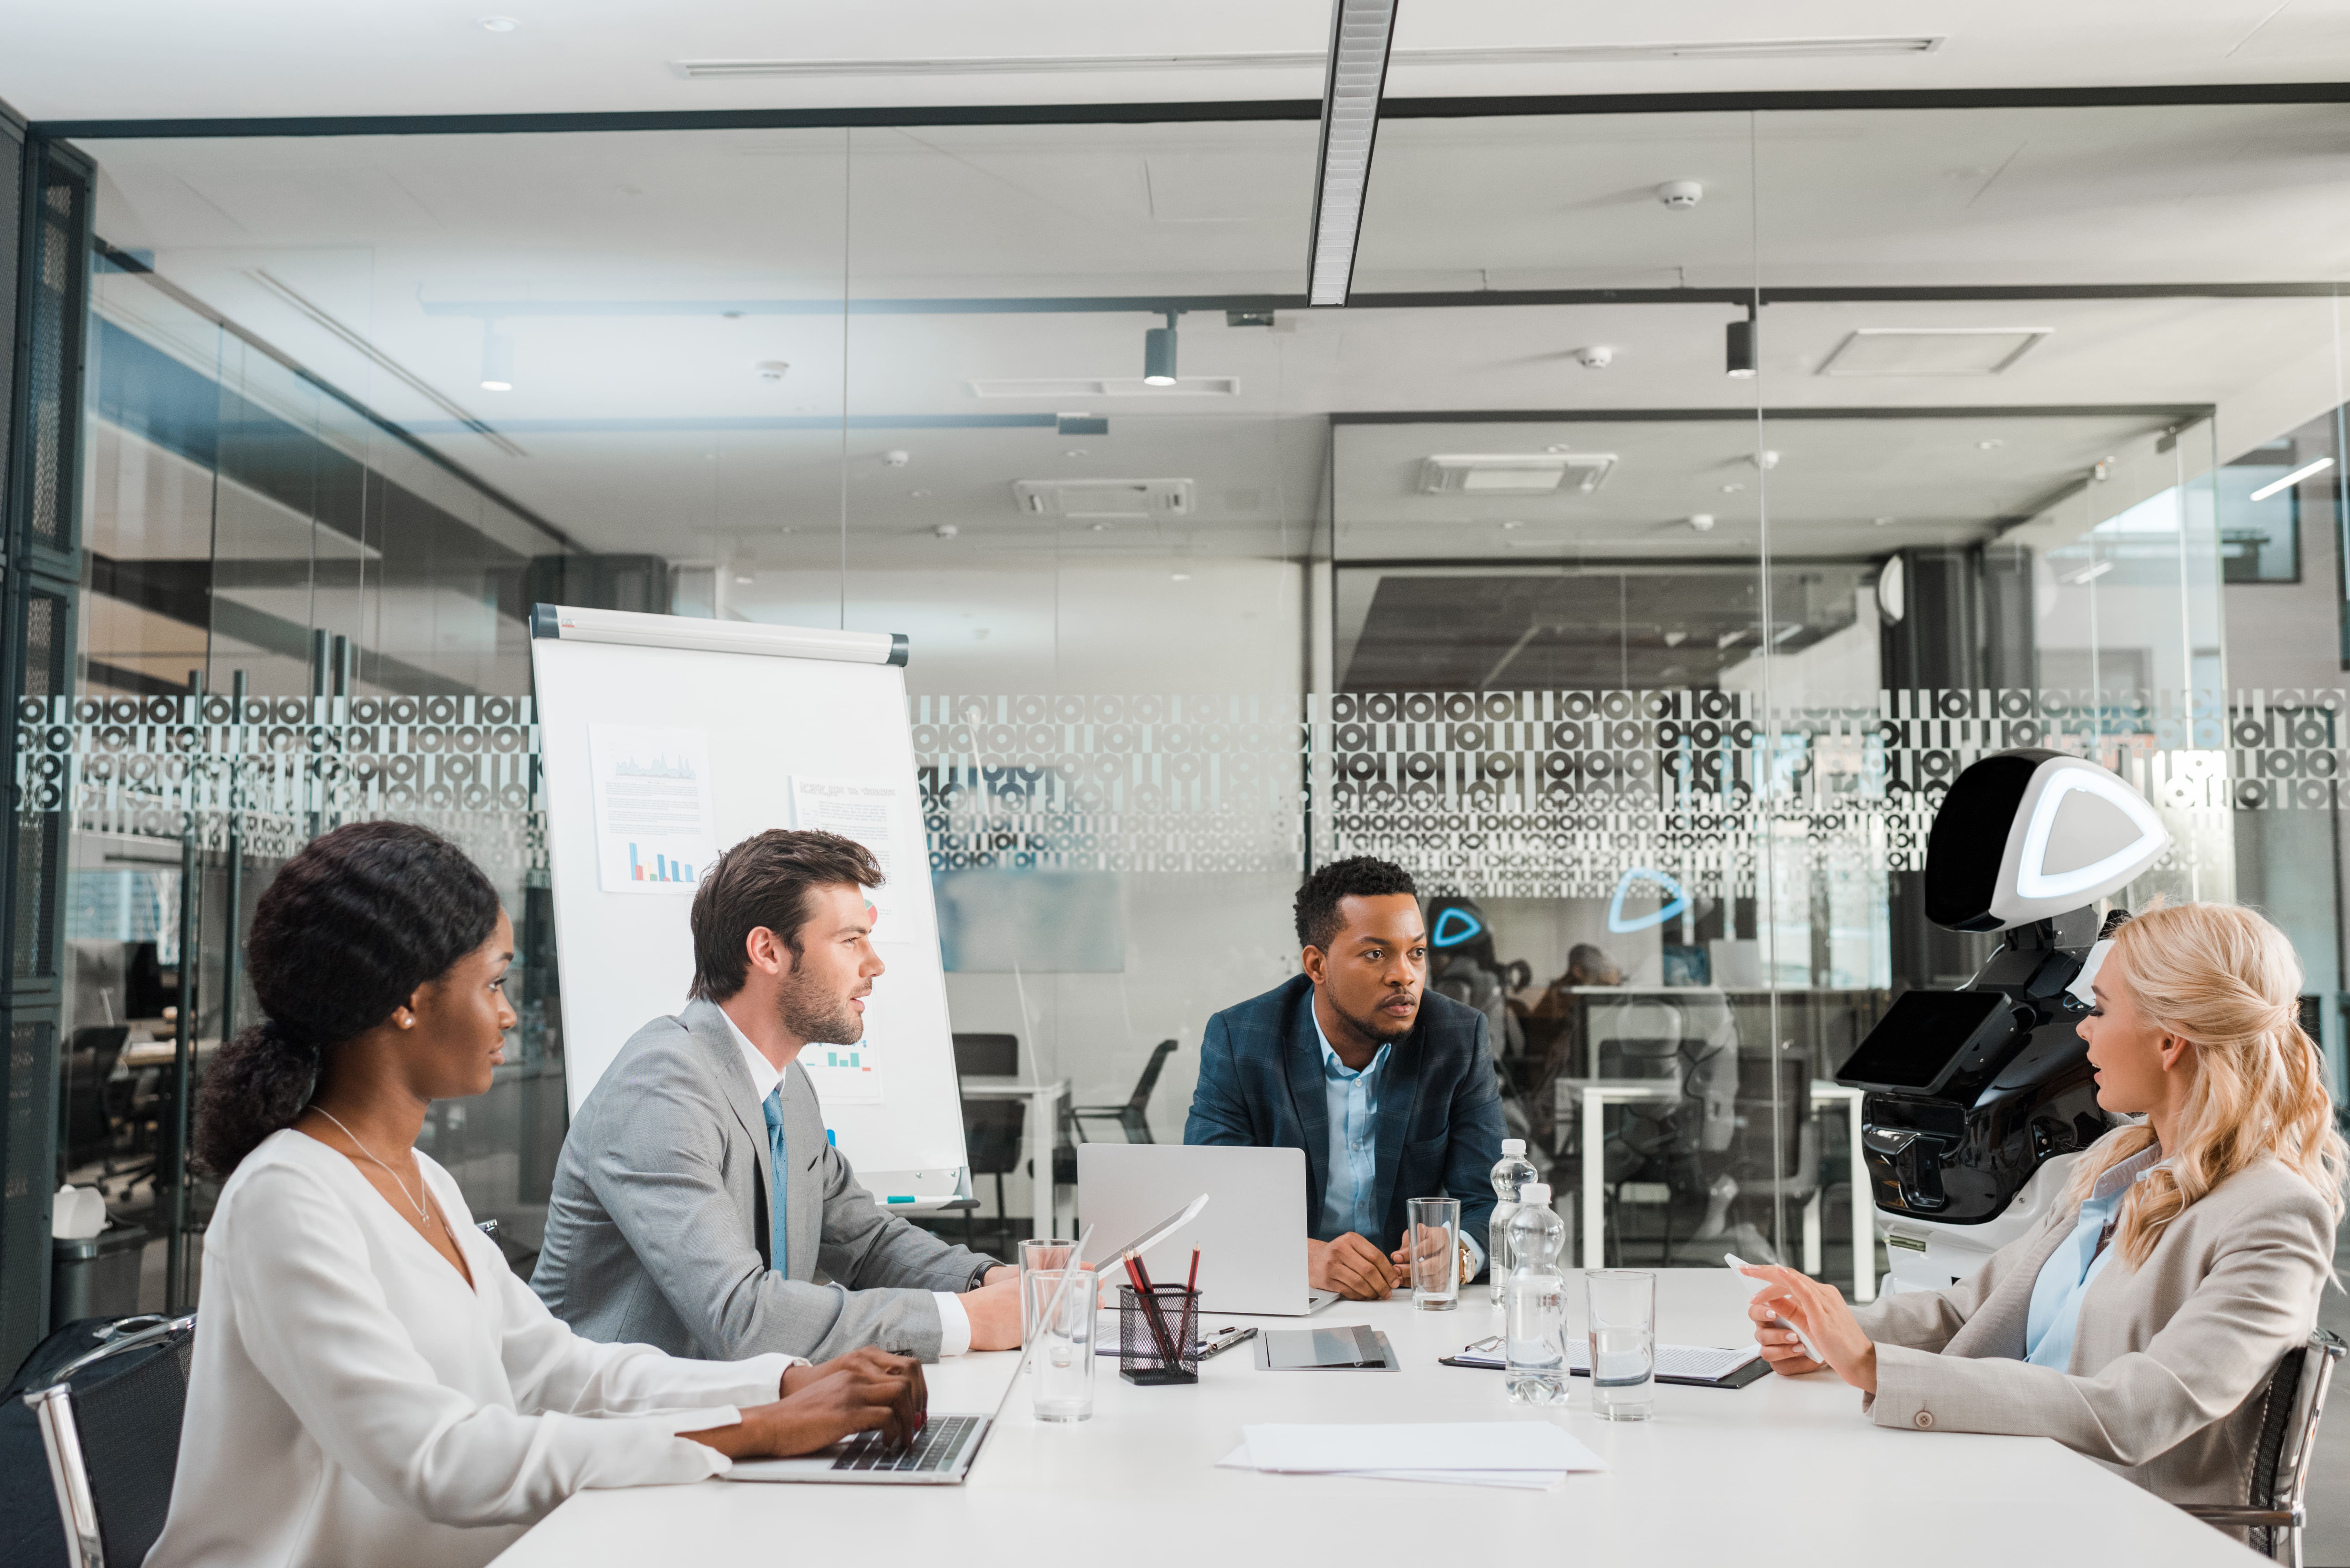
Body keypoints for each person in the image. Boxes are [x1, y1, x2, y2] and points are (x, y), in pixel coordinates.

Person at [150, 823, 924, 1568]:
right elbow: (432, 1457)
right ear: (405, 1001)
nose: (509, 1014)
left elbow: (565, 1374)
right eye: (493, 983)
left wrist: (785, 1383)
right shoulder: (285, 1199)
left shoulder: (423, 1183)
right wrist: (754, 1431)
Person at [1742, 902, 2347, 1507]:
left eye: (2101, 1009)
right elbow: (1963, 1315)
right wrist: (1824, 1330)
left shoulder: (2274, 1214)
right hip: (2010, 1484)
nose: (2082, 1029)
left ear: (2169, 1040)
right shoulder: (2115, 1164)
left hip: (2118, 1525)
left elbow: (2135, 1412)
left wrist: (1875, 1366)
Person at [533, 829, 1021, 1364]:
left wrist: (991, 1281)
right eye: (850, 940)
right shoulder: (660, 1086)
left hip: (740, 1412)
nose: (874, 964)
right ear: (767, 950)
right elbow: (740, 1317)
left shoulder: (787, 1088)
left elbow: (866, 1242)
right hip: (624, 1428)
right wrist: (967, 1320)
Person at [1184, 856, 1505, 1300]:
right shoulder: (1243, 1041)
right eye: (1376, 954)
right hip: (1290, 1299)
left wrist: (1461, 1254)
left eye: (1416, 952)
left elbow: (1493, 1199)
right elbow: (1208, 1201)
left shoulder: (1457, 1038)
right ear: (1317, 966)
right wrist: (1304, 1258)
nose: (1404, 975)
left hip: (1411, 1303)